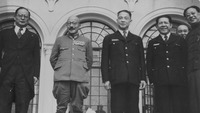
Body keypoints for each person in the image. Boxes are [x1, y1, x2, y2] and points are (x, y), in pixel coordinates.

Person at [101, 10, 146, 113]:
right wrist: (106, 79)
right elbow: (104, 60)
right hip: (116, 79)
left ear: (130, 20)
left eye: (126, 18)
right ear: (117, 20)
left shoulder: (137, 39)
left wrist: (143, 78)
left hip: (133, 79)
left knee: (133, 108)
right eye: (120, 18)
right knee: (117, 108)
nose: (123, 20)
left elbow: (141, 60)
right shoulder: (109, 38)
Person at [0, 7, 40, 113]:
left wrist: (36, 74)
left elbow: (36, 57)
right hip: (6, 76)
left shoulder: (33, 37)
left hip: (24, 78)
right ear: (15, 17)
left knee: (22, 108)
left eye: (25, 16)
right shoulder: (4, 34)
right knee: (3, 107)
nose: (22, 18)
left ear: (28, 19)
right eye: (20, 15)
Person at [50, 15, 93, 113]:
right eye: (69, 23)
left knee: (77, 108)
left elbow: (89, 60)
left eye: (74, 23)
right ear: (66, 25)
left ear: (79, 25)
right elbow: (53, 58)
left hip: (79, 79)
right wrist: (60, 69)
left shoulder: (86, 41)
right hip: (62, 79)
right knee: (61, 108)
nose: (71, 25)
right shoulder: (60, 40)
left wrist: (81, 70)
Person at [146, 15, 188, 113]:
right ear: (157, 26)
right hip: (160, 81)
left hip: (178, 80)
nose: (163, 25)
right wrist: (152, 80)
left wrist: (184, 77)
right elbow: (149, 62)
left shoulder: (180, 40)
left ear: (170, 25)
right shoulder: (152, 42)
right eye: (160, 23)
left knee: (178, 107)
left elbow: (185, 59)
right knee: (162, 107)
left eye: (166, 23)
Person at [183, 5, 200, 113]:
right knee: (194, 103)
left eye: (193, 13)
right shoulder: (189, 35)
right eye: (188, 15)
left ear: (199, 13)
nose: (191, 16)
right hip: (191, 72)